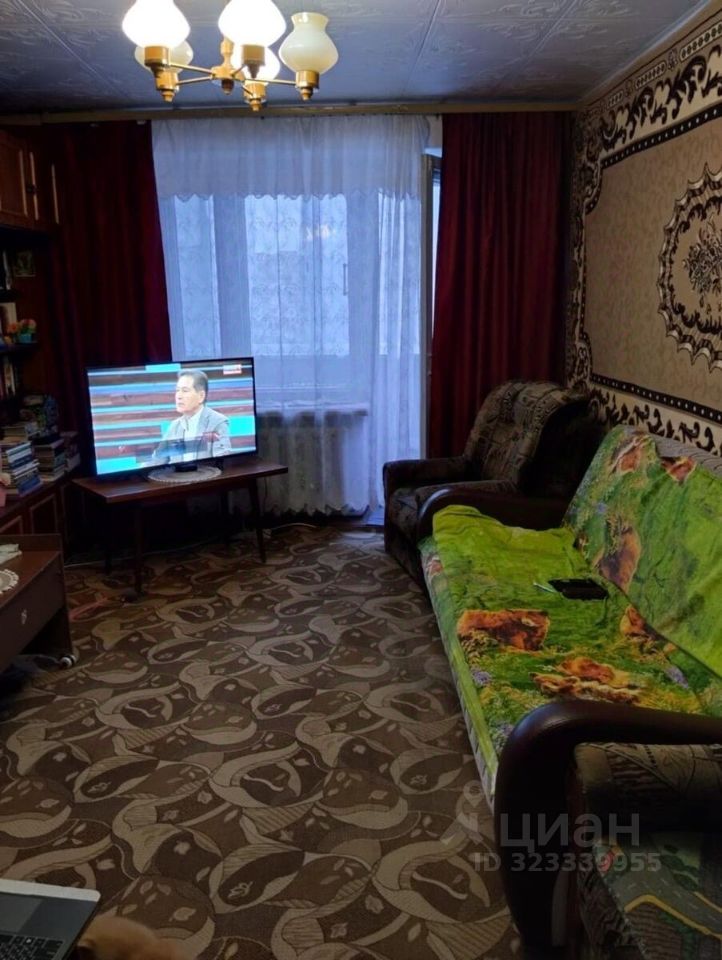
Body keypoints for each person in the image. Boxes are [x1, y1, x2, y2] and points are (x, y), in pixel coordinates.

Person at [154, 369, 232, 464]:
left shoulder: (217, 423)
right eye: (177, 390)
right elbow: (156, 461)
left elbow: (222, 463)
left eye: (185, 391)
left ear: (201, 396)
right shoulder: (174, 427)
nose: (178, 396)